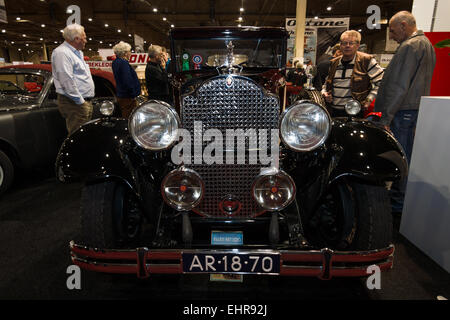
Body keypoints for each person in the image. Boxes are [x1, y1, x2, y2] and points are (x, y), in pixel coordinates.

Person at [373, 11, 436, 213]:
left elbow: (399, 85)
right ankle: (400, 197)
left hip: (402, 111)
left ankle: (399, 202)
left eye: (392, 31)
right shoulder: (427, 44)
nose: (391, 36)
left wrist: (386, 117)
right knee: (407, 154)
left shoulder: (410, 46)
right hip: (412, 109)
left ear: (403, 25)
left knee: (401, 156)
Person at [321, 30, 384, 117]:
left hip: (355, 112)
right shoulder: (334, 63)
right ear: (340, 45)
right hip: (333, 112)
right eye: (344, 43)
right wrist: (324, 93)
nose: (347, 46)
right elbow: (325, 84)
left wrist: (369, 99)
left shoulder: (366, 61)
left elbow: (381, 83)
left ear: (357, 45)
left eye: (351, 43)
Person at [51, 23, 95, 136]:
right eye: (84, 38)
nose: (86, 41)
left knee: (85, 136)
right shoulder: (62, 53)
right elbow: (66, 81)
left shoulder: (77, 52)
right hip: (74, 103)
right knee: (78, 137)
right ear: (76, 39)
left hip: (80, 102)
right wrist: (80, 102)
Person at [112, 41, 141, 118]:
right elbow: (127, 80)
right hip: (128, 97)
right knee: (129, 117)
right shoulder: (123, 63)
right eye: (129, 51)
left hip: (121, 95)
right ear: (125, 53)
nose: (130, 53)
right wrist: (133, 94)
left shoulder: (115, 62)